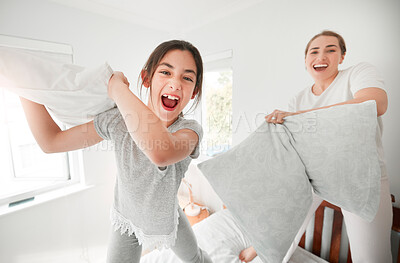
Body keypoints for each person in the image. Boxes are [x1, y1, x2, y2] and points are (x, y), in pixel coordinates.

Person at [19, 40, 213, 263]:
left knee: (196, 259)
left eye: (187, 78)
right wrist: (23, 86)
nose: (175, 83)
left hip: (168, 216)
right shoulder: (118, 120)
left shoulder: (189, 130)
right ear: (146, 78)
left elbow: (160, 150)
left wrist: (117, 88)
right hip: (127, 218)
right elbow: (51, 142)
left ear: (194, 91)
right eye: (166, 72)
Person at [239, 30, 392, 263]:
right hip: (315, 179)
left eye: (331, 50)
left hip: (361, 180)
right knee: (283, 223)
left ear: (342, 56)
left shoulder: (357, 73)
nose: (321, 56)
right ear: (305, 61)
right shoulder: (298, 99)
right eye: (314, 51)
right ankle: (259, 249)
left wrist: (298, 116)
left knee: (372, 258)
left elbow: (375, 103)